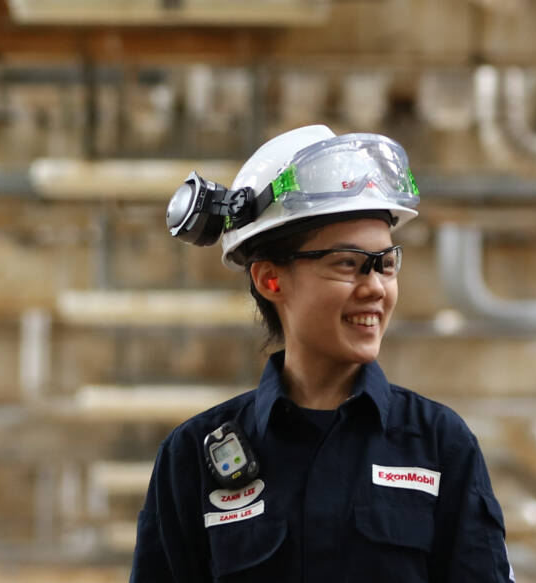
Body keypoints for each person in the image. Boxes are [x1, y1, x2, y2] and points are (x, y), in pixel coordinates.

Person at [128, 126, 512, 582]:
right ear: (271, 280)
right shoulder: (190, 458)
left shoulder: (437, 445)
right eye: (347, 263)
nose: (375, 287)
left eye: (386, 264)